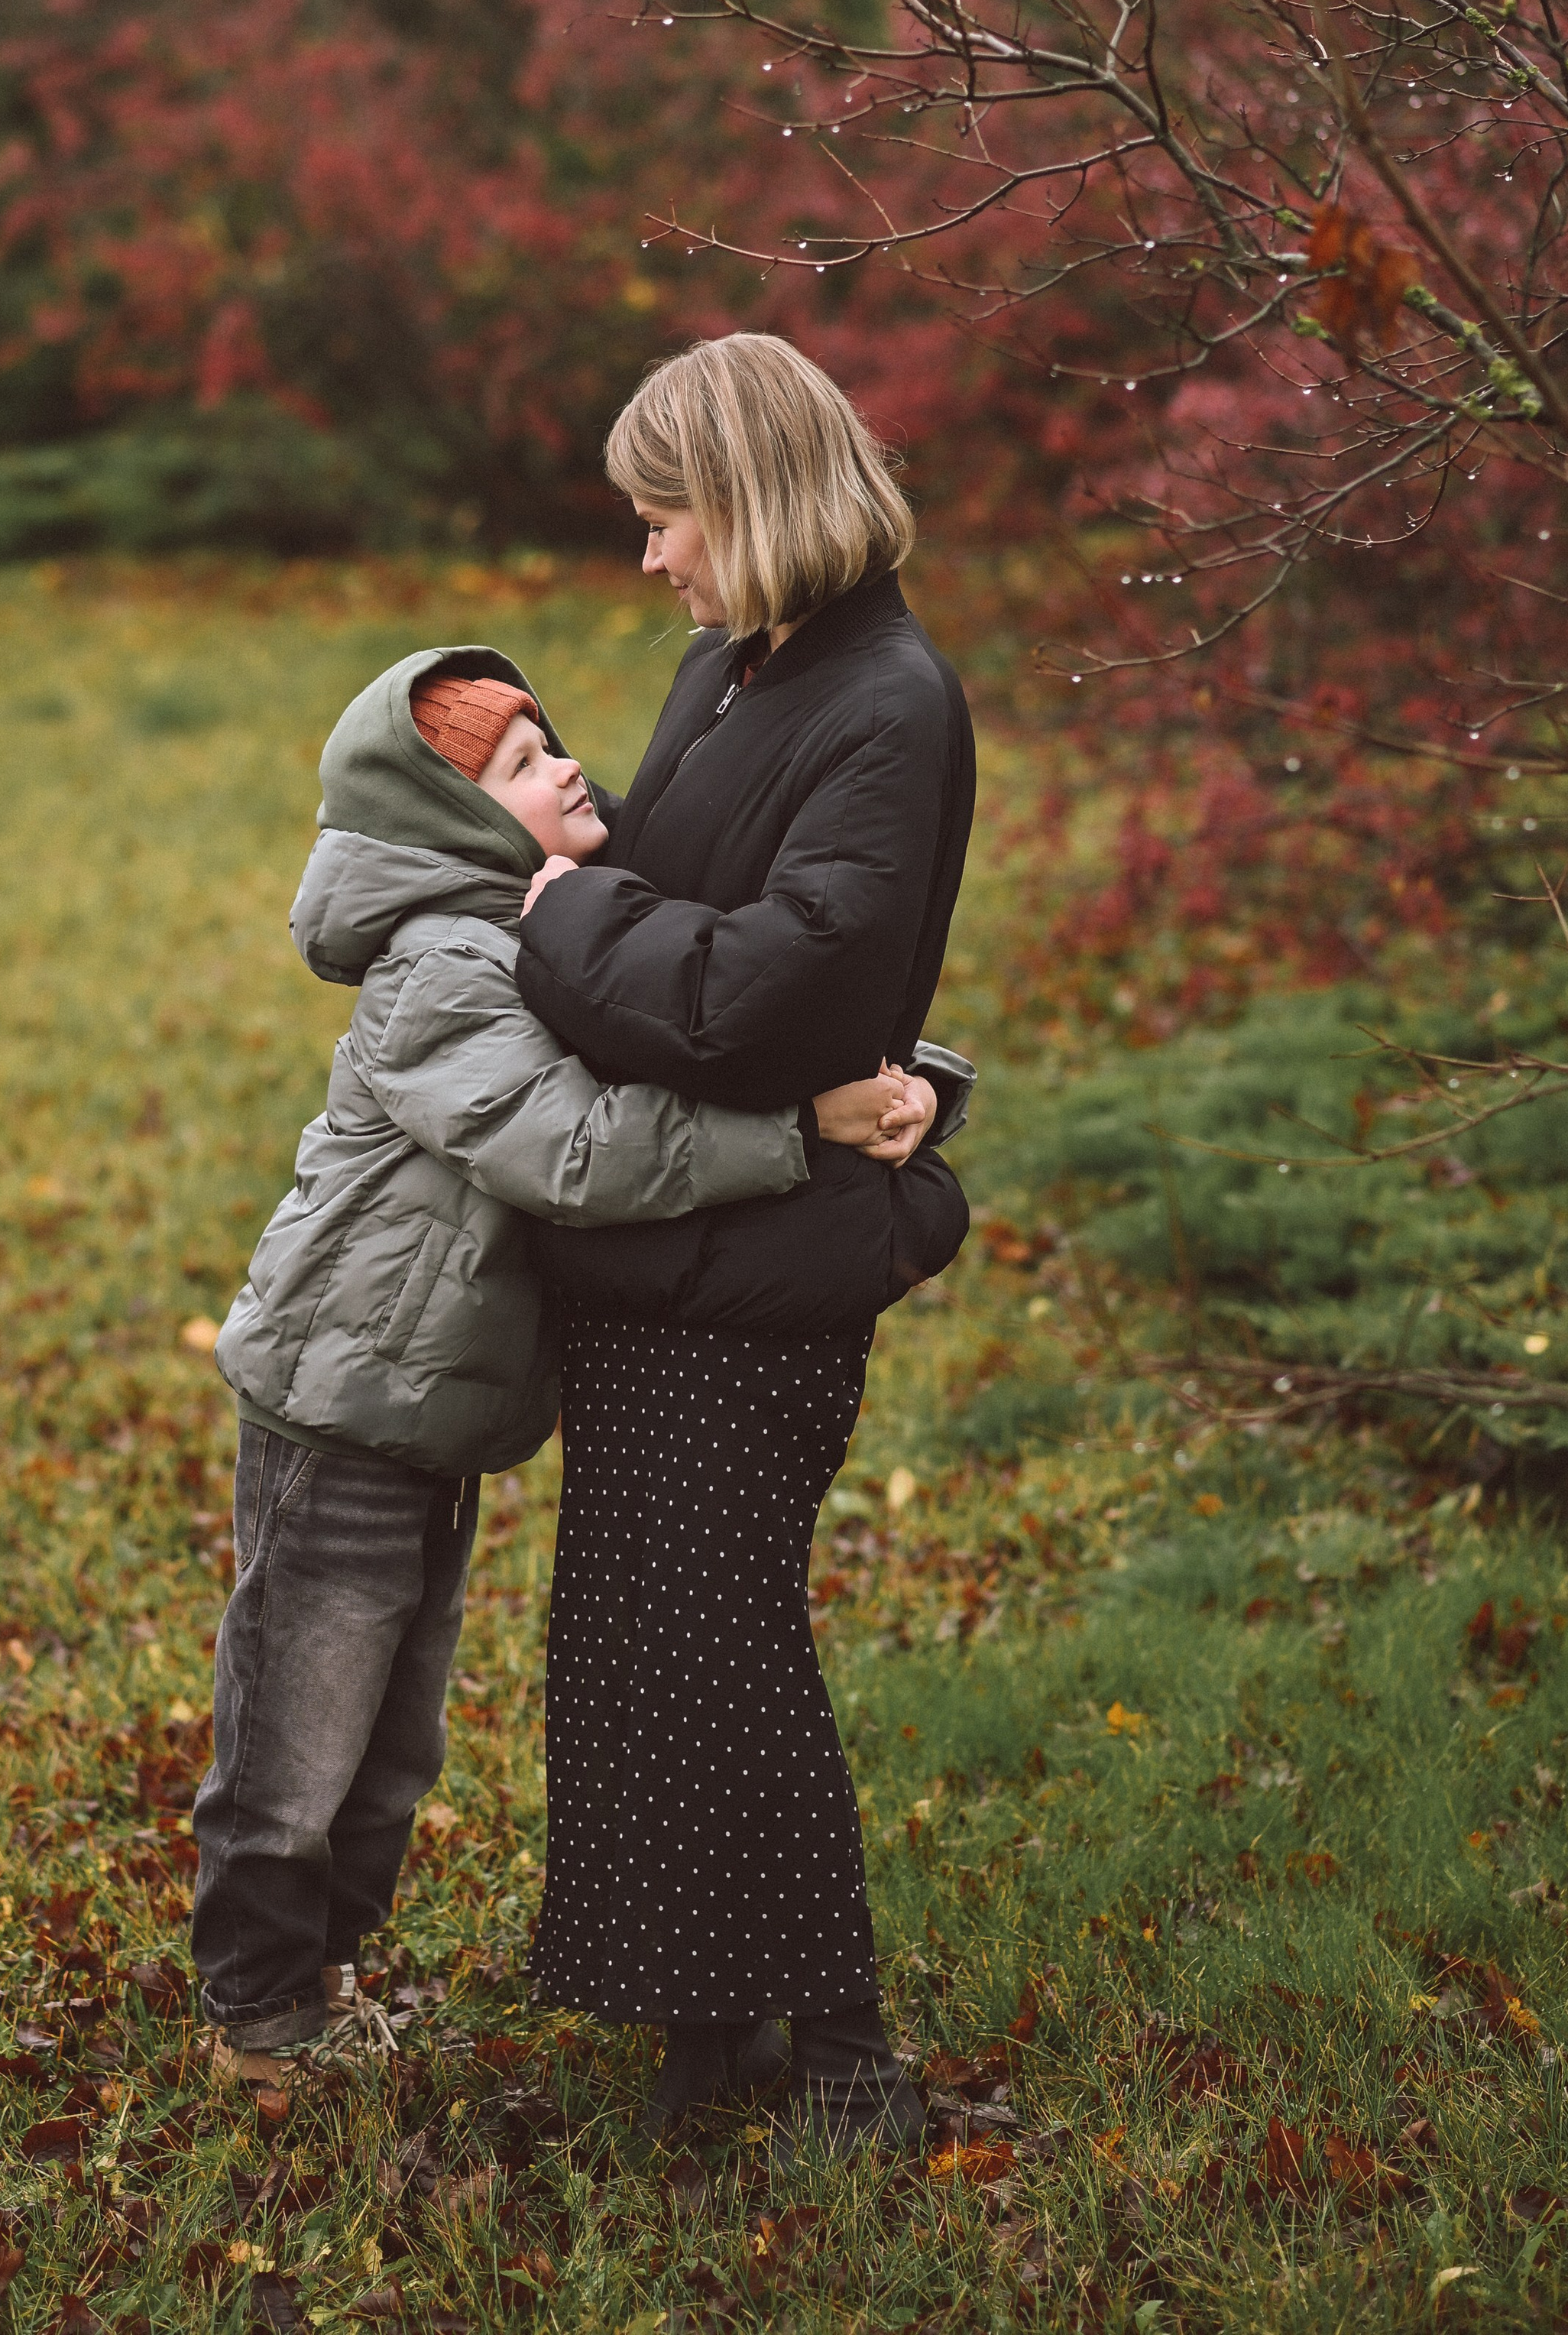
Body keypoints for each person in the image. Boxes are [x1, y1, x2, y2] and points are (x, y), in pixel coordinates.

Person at [190, 644, 931, 2081]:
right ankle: (260, 2016)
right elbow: (576, 1151)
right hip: (338, 1398)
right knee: (300, 1728)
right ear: (458, 820)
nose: (569, 766)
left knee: (392, 1740)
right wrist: (800, 1129)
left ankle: (327, 1980)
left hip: (428, 1408)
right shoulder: (445, 969)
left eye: (551, 740)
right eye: (525, 767)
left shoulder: (535, 935)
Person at [515, 332, 977, 2158]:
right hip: (655, 1236)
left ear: (756, 498)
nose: (649, 559)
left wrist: (561, 910)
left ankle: (847, 2051)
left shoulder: (887, 703)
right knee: (638, 1648)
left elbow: (751, 991)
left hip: (764, 1262)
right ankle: (699, 2029)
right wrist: (588, 891)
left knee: (725, 1656)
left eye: (667, 516)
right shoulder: (733, 664)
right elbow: (686, 907)